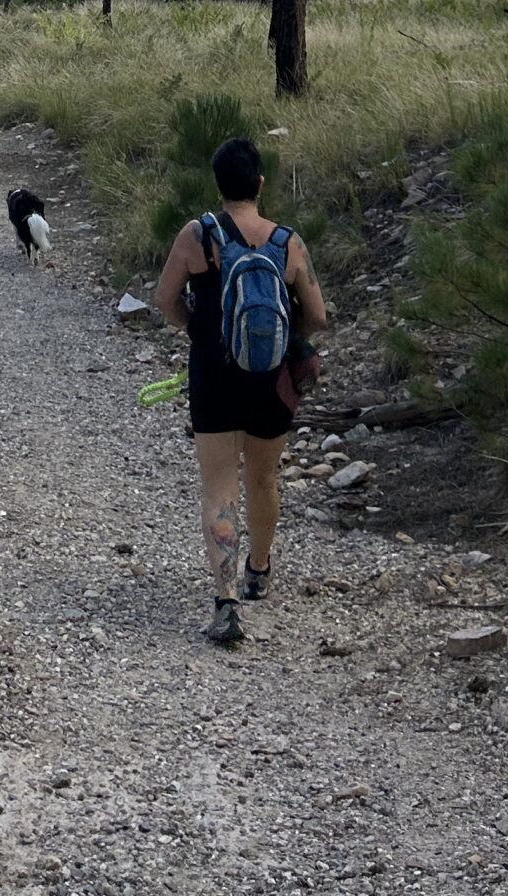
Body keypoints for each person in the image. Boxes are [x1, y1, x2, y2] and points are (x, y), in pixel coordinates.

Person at [153, 134, 327, 649]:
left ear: (217, 183)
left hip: (213, 373)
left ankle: (226, 602)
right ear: (260, 182)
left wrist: (197, 329)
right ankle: (259, 570)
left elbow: (164, 300)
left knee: (219, 487)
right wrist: (283, 342)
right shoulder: (288, 242)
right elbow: (318, 315)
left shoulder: (196, 235)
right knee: (264, 479)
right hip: (271, 381)